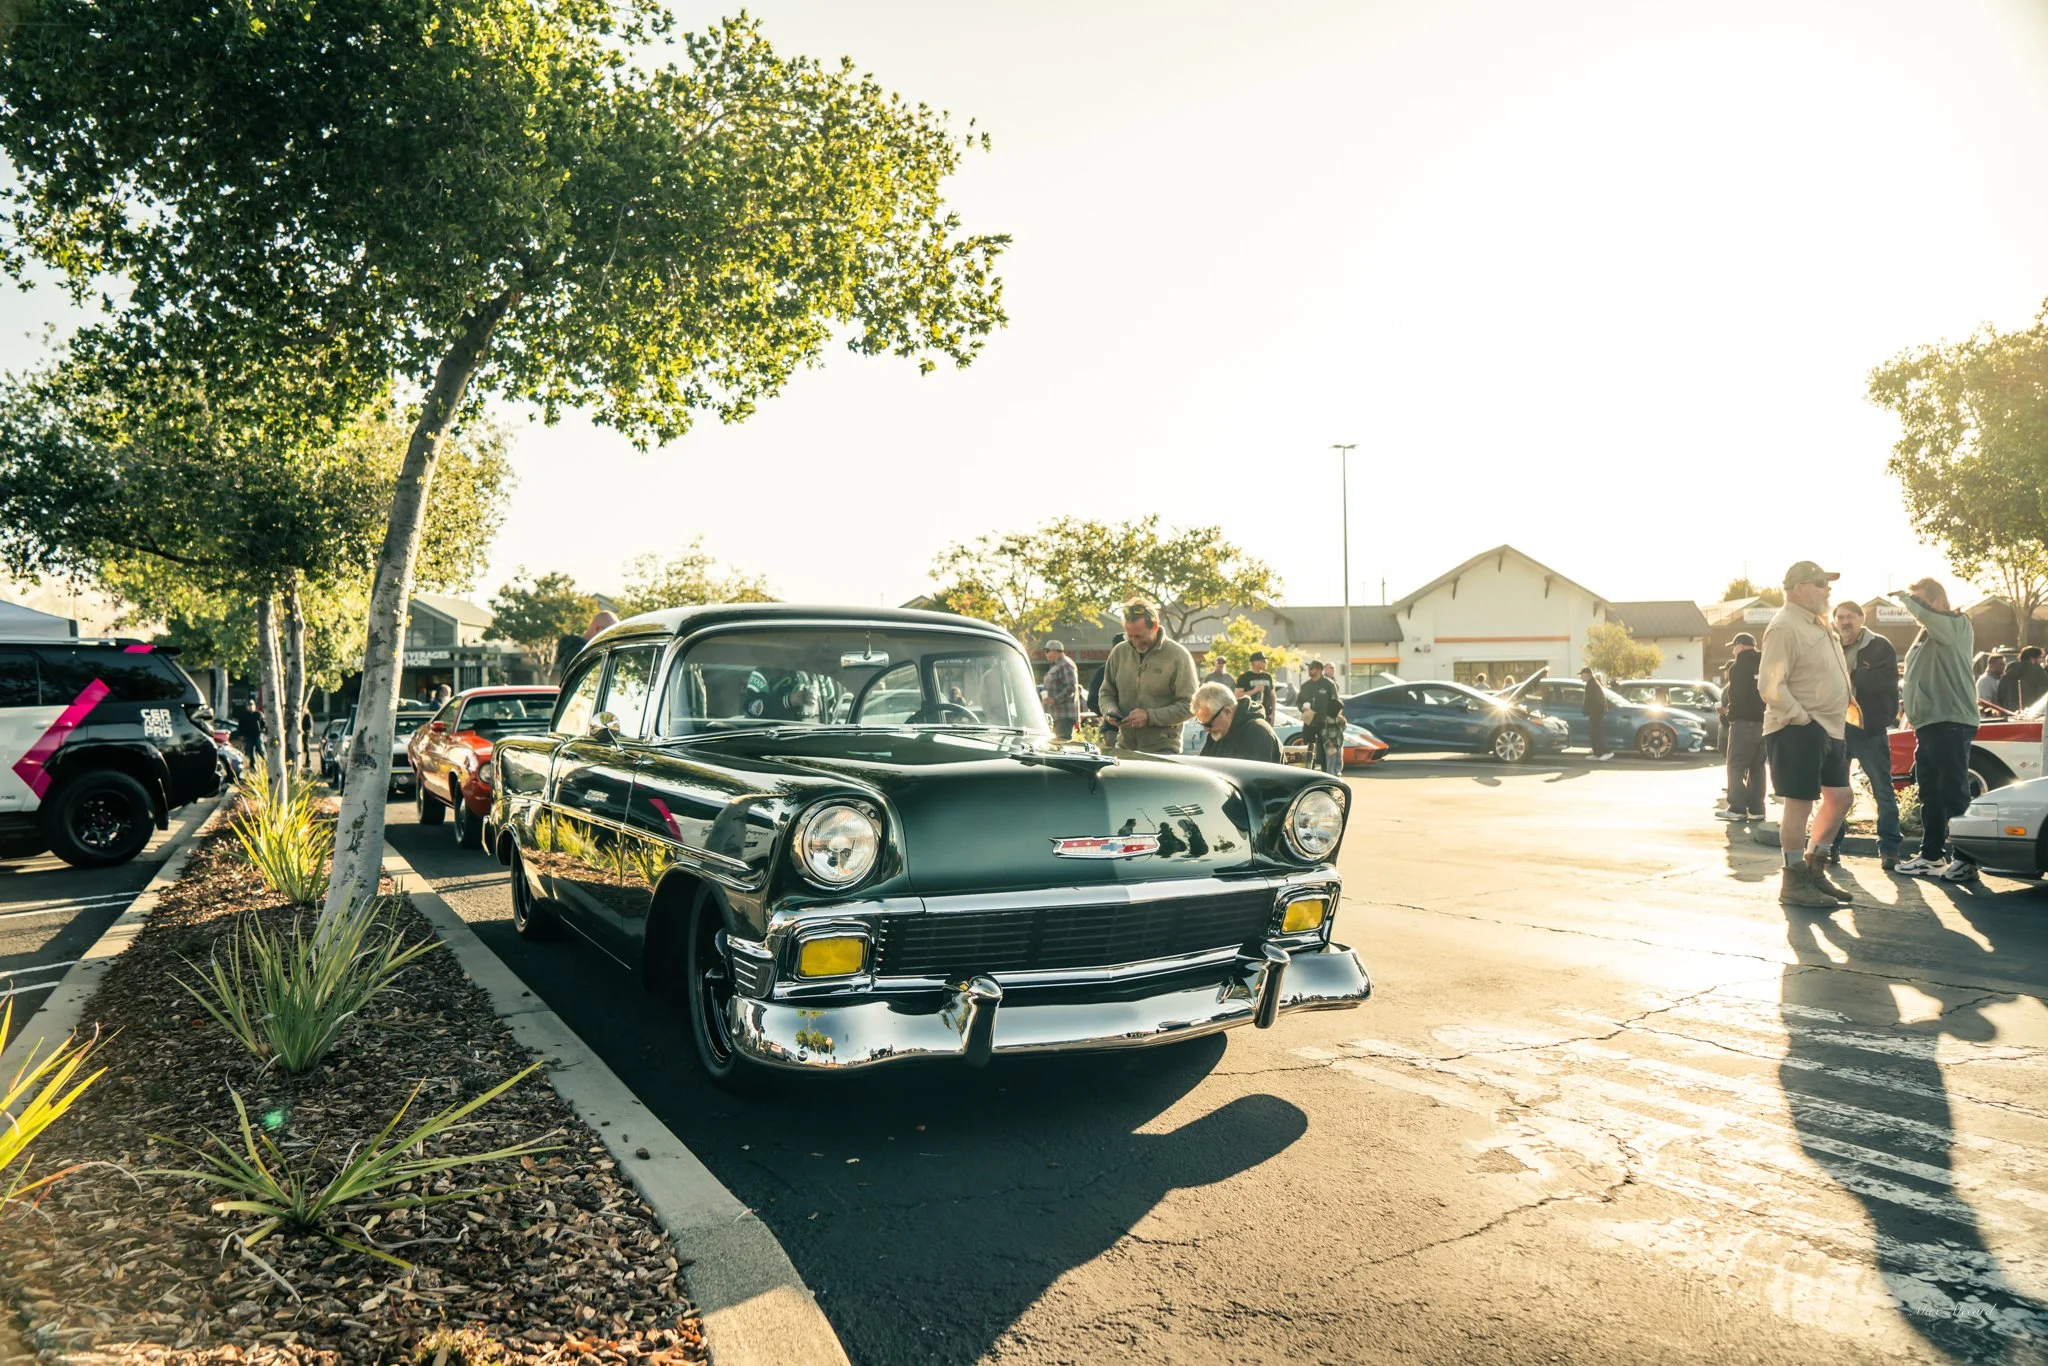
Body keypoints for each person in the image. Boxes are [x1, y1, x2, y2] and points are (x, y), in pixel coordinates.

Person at [1758, 561, 1856, 907]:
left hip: (1830, 728)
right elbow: (1769, 684)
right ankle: (1793, 882)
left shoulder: (1819, 623)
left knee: (1841, 798)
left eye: (1828, 584)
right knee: (1799, 805)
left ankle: (1814, 870)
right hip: (1798, 729)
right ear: (1798, 588)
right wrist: (1802, 719)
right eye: (1820, 583)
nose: (1827, 590)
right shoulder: (1785, 626)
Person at [1893, 578, 1981, 881]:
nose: (1916, 607)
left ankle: (1966, 860)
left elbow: (1928, 616)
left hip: (1951, 722)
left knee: (1954, 791)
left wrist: (1906, 597)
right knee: (1931, 794)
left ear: (1938, 601)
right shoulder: (1928, 633)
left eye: (1922, 601)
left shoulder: (1956, 623)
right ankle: (1931, 857)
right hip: (1930, 725)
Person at [1828, 601, 1901, 870]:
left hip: (1869, 729)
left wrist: (1852, 676)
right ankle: (1831, 847)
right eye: (1840, 617)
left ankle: (1890, 849)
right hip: (1837, 728)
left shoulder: (1879, 645)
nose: (1845, 622)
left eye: (1850, 617)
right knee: (1836, 792)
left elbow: (1886, 683)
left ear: (1862, 617)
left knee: (1883, 789)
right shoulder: (1831, 644)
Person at [1096, 602, 1198, 754]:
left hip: (1163, 752)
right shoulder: (1119, 652)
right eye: (1129, 636)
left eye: (1139, 636)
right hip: (1124, 748)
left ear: (1155, 627)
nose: (1135, 642)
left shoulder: (1178, 656)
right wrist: (1110, 710)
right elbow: (1106, 693)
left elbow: (1190, 706)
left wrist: (1149, 717)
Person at [1716, 633, 1766, 822]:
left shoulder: (1738, 666)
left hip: (1743, 722)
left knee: (1736, 765)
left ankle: (1737, 808)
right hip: (1764, 722)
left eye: (1734, 646)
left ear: (1741, 646)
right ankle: (1757, 808)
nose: (1733, 650)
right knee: (1758, 767)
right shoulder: (1764, 662)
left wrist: (1730, 716)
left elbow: (1736, 696)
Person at [1191, 681, 1282, 763]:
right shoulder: (1216, 733)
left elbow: (1254, 778)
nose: (1206, 729)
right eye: (1202, 723)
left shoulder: (1258, 732)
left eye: (1208, 723)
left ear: (1227, 712)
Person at [1295, 659, 1345, 776]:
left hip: (1325, 723)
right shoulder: (1305, 686)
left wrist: (1336, 717)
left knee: (1325, 749)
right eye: (1309, 668)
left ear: (1319, 670)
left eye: (1311, 668)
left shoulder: (1329, 684)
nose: (1309, 671)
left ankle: (1326, 773)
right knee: (1308, 747)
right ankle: (1308, 771)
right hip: (1309, 722)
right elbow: (1299, 702)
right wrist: (1303, 708)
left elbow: (1335, 703)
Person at [1087, 633, 1123, 749]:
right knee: (1120, 763)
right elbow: (1092, 701)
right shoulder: (1104, 671)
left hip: (1143, 732)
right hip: (1113, 730)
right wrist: (1109, 714)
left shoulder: (1143, 668)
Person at [1041, 639, 1080, 741]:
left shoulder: (1065, 664)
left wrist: (1055, 700)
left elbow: (1071, 687)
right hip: (1055, 715)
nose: (1046, 654)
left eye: (1047, 651)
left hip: (1063, 715)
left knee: (1061, 744)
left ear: (1056, 651)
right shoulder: (1056, 666)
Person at [1236, 651, 1278, 724]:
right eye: (1263, 661)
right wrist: (1254, 690)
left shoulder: (1268, 677)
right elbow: (1237, 695)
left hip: (1266, 714)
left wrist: (1273, 713)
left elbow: (1273, 696)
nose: (1266, 663)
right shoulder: (1244, 677)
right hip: (1250, 715)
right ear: (1255, 662)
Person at [2002, 645, 2047, 711]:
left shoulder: (2008, 671)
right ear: (2032, 659)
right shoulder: (2038, 672)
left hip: (2008, 714)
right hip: (2032, 715)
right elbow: (2044, 695)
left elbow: (2000, 694)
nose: (2041, 660)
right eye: (2040, 657)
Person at [1580, 667, 1612, 760]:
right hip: (1594, 713)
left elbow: (1597, 700)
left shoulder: (1593, 684)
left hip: (1597, 713)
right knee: (1593, 734)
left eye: (1582, 675)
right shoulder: (1590, 684)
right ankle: (1597, 753)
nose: (1581, 677)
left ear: (1588, 675)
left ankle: (1607, 752)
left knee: (1597, 733)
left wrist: (1593, 712)